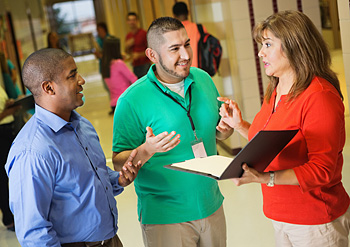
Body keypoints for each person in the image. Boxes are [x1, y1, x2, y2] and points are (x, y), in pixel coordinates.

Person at [218, 10, 350, 247]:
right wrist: (240, 125)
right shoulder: (276, 88)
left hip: (316, 221)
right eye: (261, 45)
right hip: (280, 215)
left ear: (294, 46)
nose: (260, 53)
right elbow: (269, 144)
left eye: (268, 44)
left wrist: (265, 178)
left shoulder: (319, 96)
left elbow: (323, 170)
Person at [112, 17, 232, 247]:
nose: (186, 55)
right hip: (165, 216)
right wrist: (146, 150)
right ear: (152, 55)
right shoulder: (131, 100)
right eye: (174, 49)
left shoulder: (204, 79)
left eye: (186, 44)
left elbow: (218, 134)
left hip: (211, 204)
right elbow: (118, 162)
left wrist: (225, 129)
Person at [5, 48, 142, 246]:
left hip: (110, 240)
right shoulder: (33, 152)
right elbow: (33, 232)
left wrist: (117, 179)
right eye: (72, 76)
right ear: (49, 88)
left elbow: (87, 179)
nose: (82, 80)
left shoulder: (82, 126)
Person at [0, 85, 20, 232]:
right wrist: (7, 112)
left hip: (8, 130)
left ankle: (17, 213)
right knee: (2, 178)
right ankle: (8, 218)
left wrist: (8, 106)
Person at [101, 36, 137, 114]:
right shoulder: (118, 63)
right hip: (126, 101)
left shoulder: (104, 65)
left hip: (114, 103)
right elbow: (133, 79)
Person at [172, 1, 206, 68]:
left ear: (174, 16)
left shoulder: (173, 32)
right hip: (202, 71)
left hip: (183, 69)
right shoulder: (199, 28)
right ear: (188, 12)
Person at [124, 12, 151, 78]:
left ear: (137, 21)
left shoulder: (143, 33)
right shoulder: (128, 36)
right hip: (135, 65)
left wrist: (139, 55)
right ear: (127, 22)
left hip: (145, 64)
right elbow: (127, 52)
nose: (132, 22)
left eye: (133, 20)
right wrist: (127, 46)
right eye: (130, 20)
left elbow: (151, 50)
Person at [94, 22, 112, 106]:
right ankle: (112, 104)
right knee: (107, 87)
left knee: (112, 87)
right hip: (103, 67)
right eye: (97, 30)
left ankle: (114, 105)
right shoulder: (98, 41)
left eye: (99, 30)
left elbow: (110, 54)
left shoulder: (109, 39)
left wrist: (101, 55)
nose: (98, 32)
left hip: (111, 67)